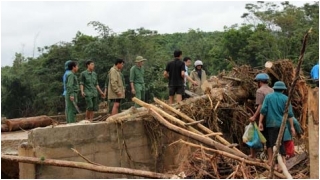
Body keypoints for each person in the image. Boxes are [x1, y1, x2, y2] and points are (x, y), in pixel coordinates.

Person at [259, 81, 296, 171]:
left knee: (272, 144)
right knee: (280, 142)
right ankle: (281, 162)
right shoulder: (286, 98)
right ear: (283, 90)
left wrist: (260, 122)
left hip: (271, 124)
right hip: (281, 125)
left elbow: (263, 110)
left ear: (274, 89)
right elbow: (290, 114)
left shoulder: (268, 97)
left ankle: (276, 164)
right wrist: (292, 126)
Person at [248, 73, 274, 158]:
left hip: (263, 117)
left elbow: (260, 105)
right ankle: (270, 157)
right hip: (272, 117)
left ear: (259, 82)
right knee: (270, 138)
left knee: (256, 135)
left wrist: (254, 117)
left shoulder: (260, 91)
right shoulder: (272, 90)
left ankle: (253, 155)